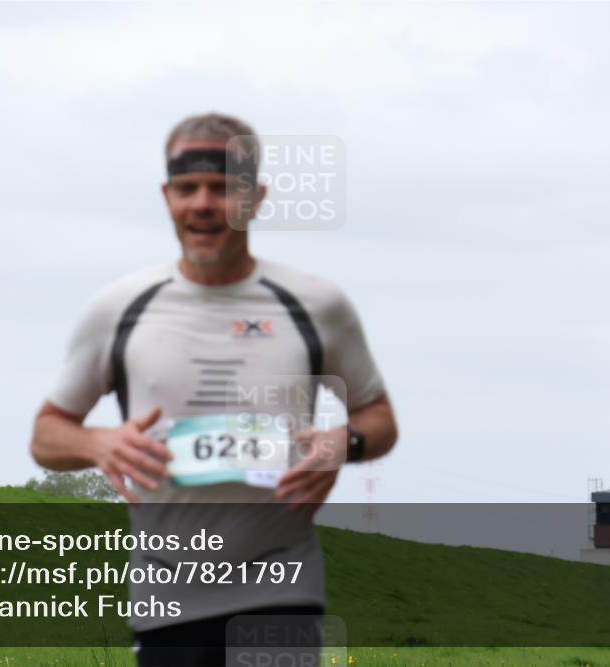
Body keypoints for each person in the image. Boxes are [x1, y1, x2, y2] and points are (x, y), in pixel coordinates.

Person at [30, 112, 398, 666]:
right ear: (167, 196)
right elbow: (46, 434)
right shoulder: (119, 309)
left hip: (281, 586)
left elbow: (378, 417)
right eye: (187, 188)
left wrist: (340, 444)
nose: (202, 203)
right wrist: (99, 444)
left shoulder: (317, 305)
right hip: (167, 597)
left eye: (222, 187)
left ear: (255, 197)